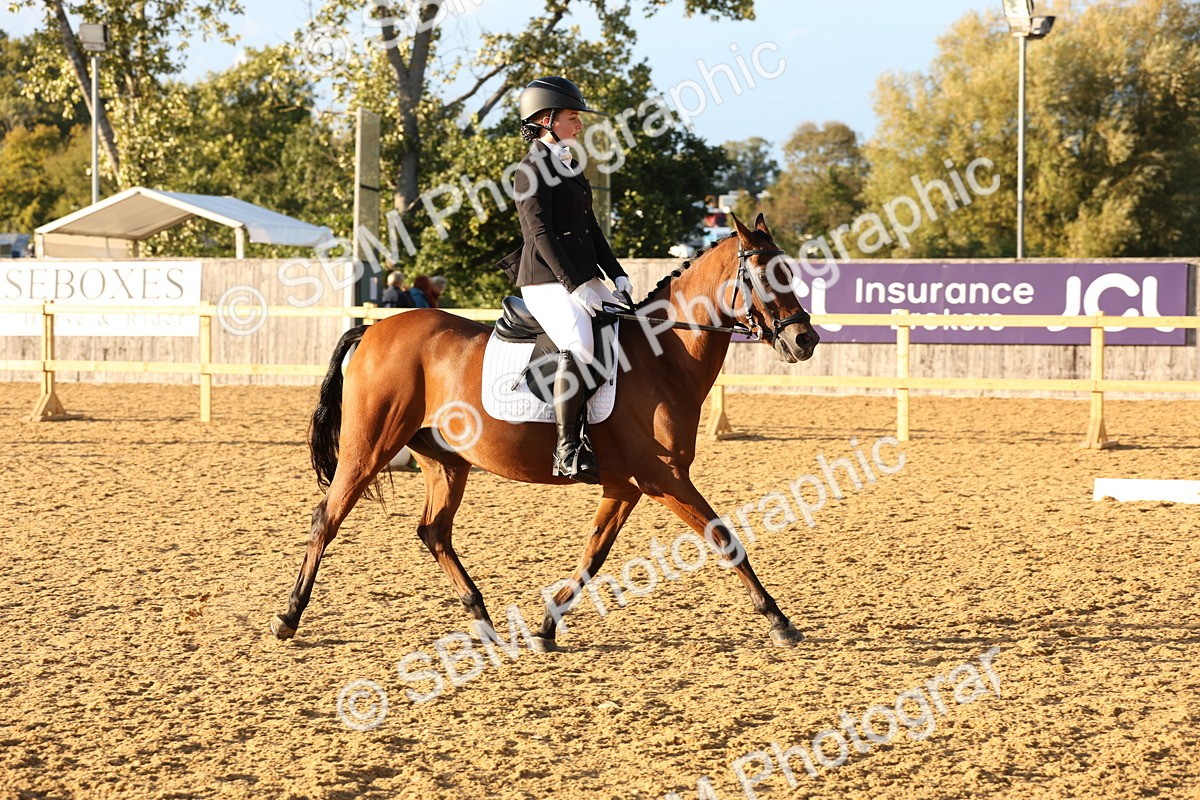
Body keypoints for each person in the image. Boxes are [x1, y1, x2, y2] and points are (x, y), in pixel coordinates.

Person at [500, 76, 634, 484]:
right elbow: (540, 235)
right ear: (546, 119)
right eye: (573, 117)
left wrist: (616, 275)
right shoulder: (529, 170)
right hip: (545, 282)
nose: (579, 126)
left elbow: (590, 229)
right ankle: (567, 449)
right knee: (579, 343)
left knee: (624, 327)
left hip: (581, 277)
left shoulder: (569, 166)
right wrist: (575, 287)